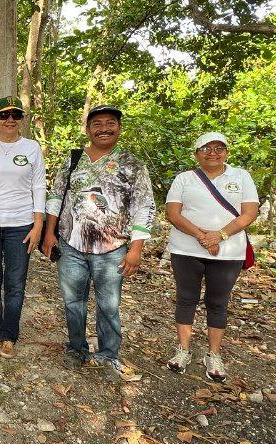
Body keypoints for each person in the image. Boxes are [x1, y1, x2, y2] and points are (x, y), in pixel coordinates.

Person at [42, 104, 155, 380]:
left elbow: (144, 206)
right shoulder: (73, 160)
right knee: (72, 301)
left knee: (109, 305)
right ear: (88, 128)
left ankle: (107, 354)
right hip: (71, 245)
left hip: (112, 248)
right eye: (97, 123)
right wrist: (49, 232)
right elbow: (56, 196)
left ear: (118, 127)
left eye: (110, 123)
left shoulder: (132, 165)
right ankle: (76, 348)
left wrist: (136, 248)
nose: (104, 128)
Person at [165, 132, 259, 382]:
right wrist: (201, 235)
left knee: (218, 302)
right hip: (186, 249)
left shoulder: (241, 176)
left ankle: (213, 355)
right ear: (196, 154)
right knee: (186, 298)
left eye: (219, 148)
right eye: (206, 148)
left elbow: (249, 213)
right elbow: (173, 213)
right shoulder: (185, 179)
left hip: (229, 252)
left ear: (227, 152)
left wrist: (220, 235)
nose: (213, 153)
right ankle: (183, 350)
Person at [0, 97, 45, 358]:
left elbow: (38, 186)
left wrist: (38, 225)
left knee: (15, 282)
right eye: (4, 115)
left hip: (20, 224)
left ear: (22, 119)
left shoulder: (32, 148)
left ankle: (10, 335)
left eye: (16, 115)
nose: (10, 120)